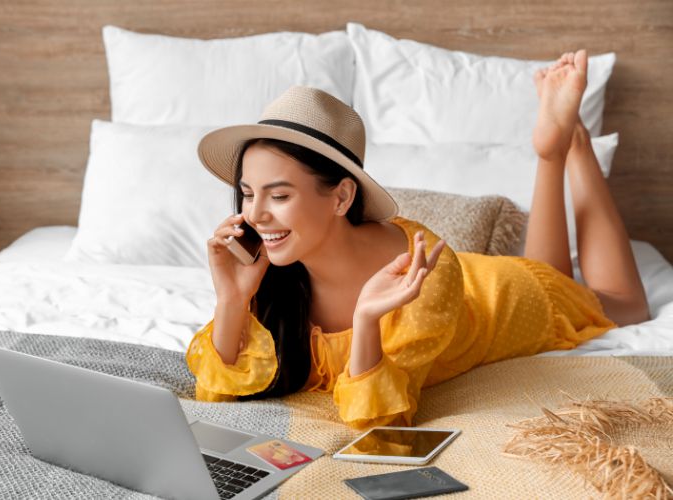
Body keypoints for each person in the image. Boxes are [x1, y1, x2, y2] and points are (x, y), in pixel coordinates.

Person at [186, 50, 650, 429]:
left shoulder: (421, 277)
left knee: (622, 304)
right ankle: (552, 153)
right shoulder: (272, 273)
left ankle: (571, 147)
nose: (255, 215)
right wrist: (232, 298)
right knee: (555, 273)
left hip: (504, 298)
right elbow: (216, 395)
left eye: (280, 195)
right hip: (477, 285)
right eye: (247, 194)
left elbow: (380, 420)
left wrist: (366, 321)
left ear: (342, 196)